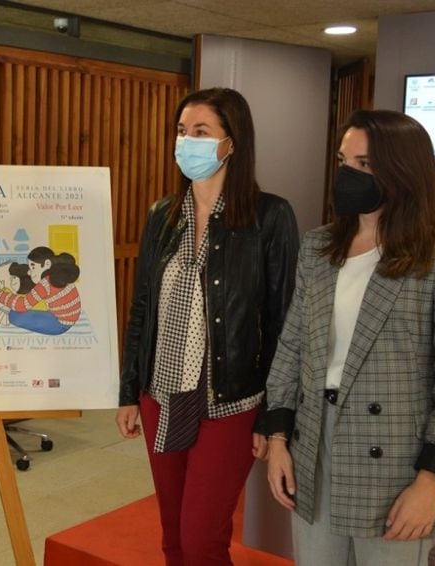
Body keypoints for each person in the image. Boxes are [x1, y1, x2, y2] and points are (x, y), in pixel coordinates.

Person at [264, 110, 435, 565]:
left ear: (400, 170)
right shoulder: (319, 248)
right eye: (343, 160)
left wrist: (431, 481)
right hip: (314, 444)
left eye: (364, 164)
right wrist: (278, 438)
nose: (346, 174)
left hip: (397, 460)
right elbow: (291, 347)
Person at [114, 87, 299, 565]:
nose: (187, 142)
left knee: (202, 540)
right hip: (162, 393)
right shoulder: (163, 215)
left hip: (229, 400)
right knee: (173, 535)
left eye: (201, 132)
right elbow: (141, 308)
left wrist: (274, 418)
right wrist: (129, 390)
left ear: (231, 143)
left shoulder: (269, 217)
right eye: (181, 131)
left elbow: (284, 323)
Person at [0, 246, 81, 335]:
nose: (30, 271)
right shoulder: (58, 273)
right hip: (68, 317)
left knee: (15, 316)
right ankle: (8, 306)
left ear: (47, 264)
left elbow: (23, 304)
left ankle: (6, 314)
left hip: (60, 324)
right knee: (27, 303)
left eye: (33, 267)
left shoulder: (46, 283)